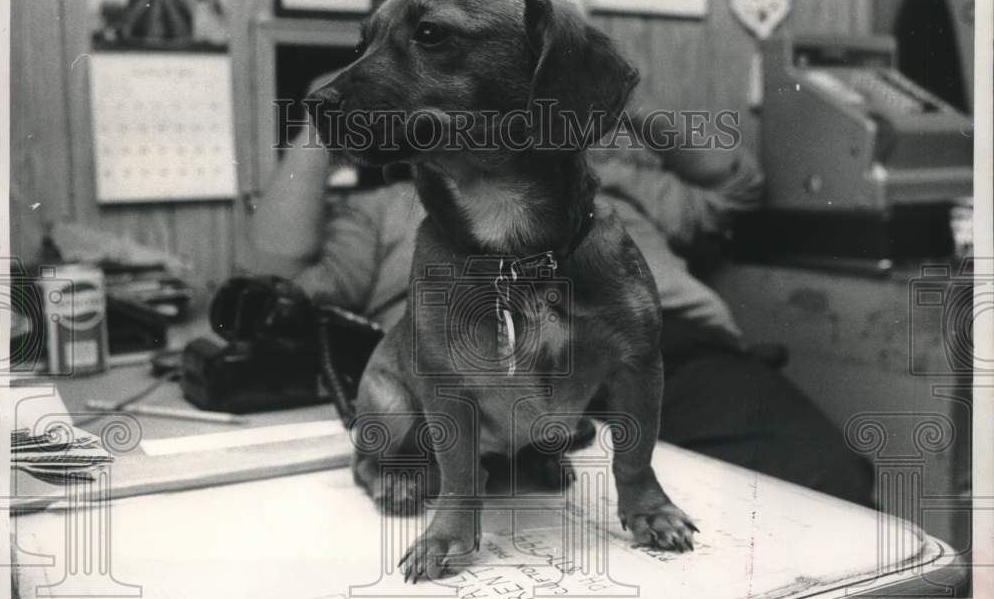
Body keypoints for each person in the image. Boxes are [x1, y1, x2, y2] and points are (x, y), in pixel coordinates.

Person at [244, 110, 876, 507]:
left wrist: (613, 97)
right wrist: (328, 113)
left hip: (665, 355)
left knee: (826, 484)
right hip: (482, 376)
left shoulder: (604, 176)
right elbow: (275, 280)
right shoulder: (389, 207)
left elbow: (737, 186)